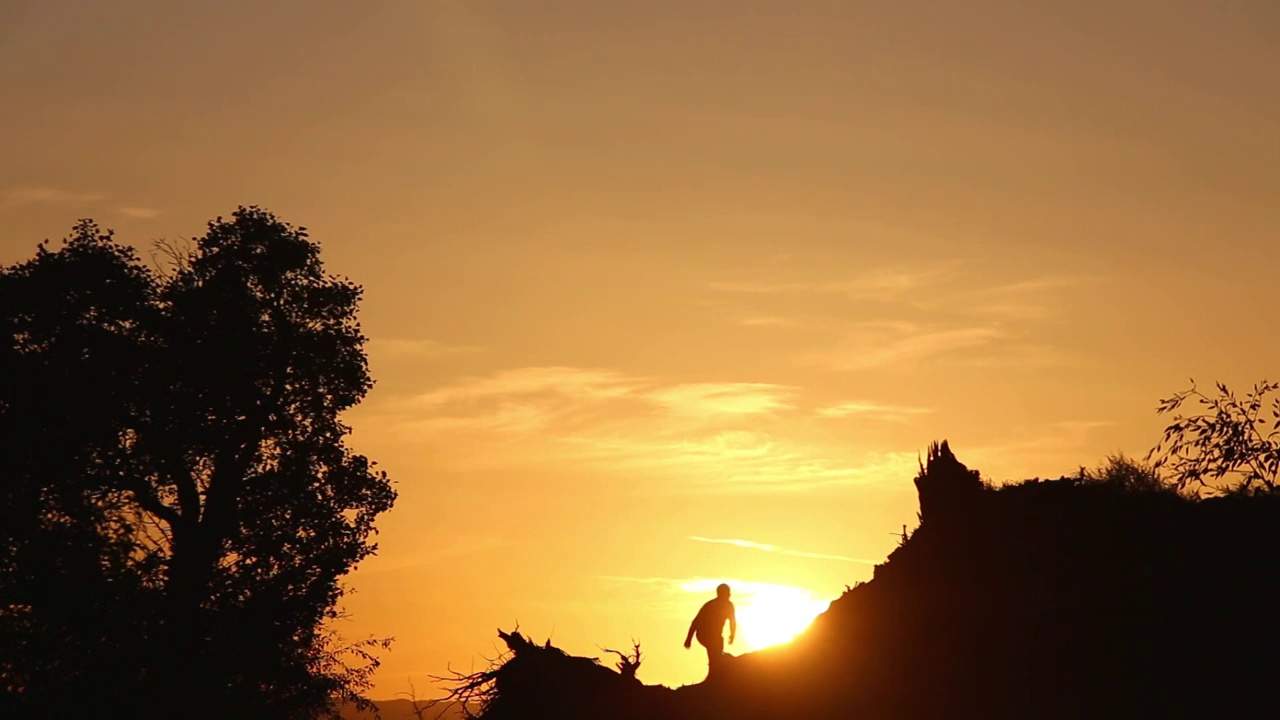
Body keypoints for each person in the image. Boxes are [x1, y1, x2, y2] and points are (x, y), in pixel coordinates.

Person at [683, 583, 736, 675]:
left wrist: (732, 634)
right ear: (719, 594)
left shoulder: (729, 605)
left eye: (728, 593)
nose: (728, 595)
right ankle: (714, 673)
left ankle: (716, 669)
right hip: (703, 634)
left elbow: (732, 621)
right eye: (726, 593)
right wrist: (688, 639)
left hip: (717, 636)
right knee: (715, 650)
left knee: (717, 651)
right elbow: (695, 622)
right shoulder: (710, 605)